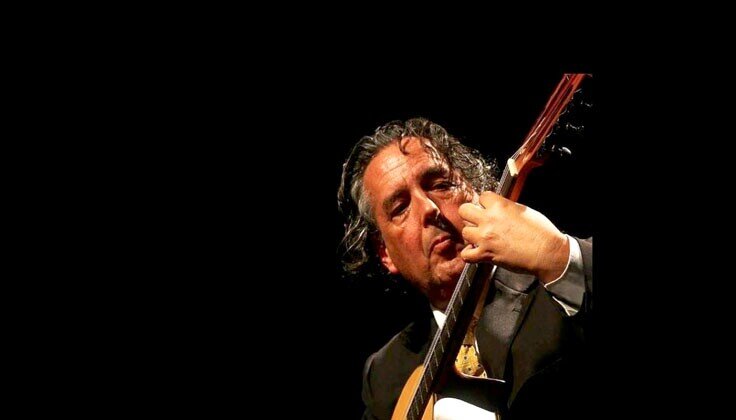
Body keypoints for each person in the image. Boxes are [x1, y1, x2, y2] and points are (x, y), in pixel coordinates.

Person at [337, 118, 593, 420]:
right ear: (385, 254)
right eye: (401, 208)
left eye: (440, 185)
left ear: (476, 192)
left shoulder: (556, 278)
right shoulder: (385, 375)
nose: (429, 209)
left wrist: (558, 256)